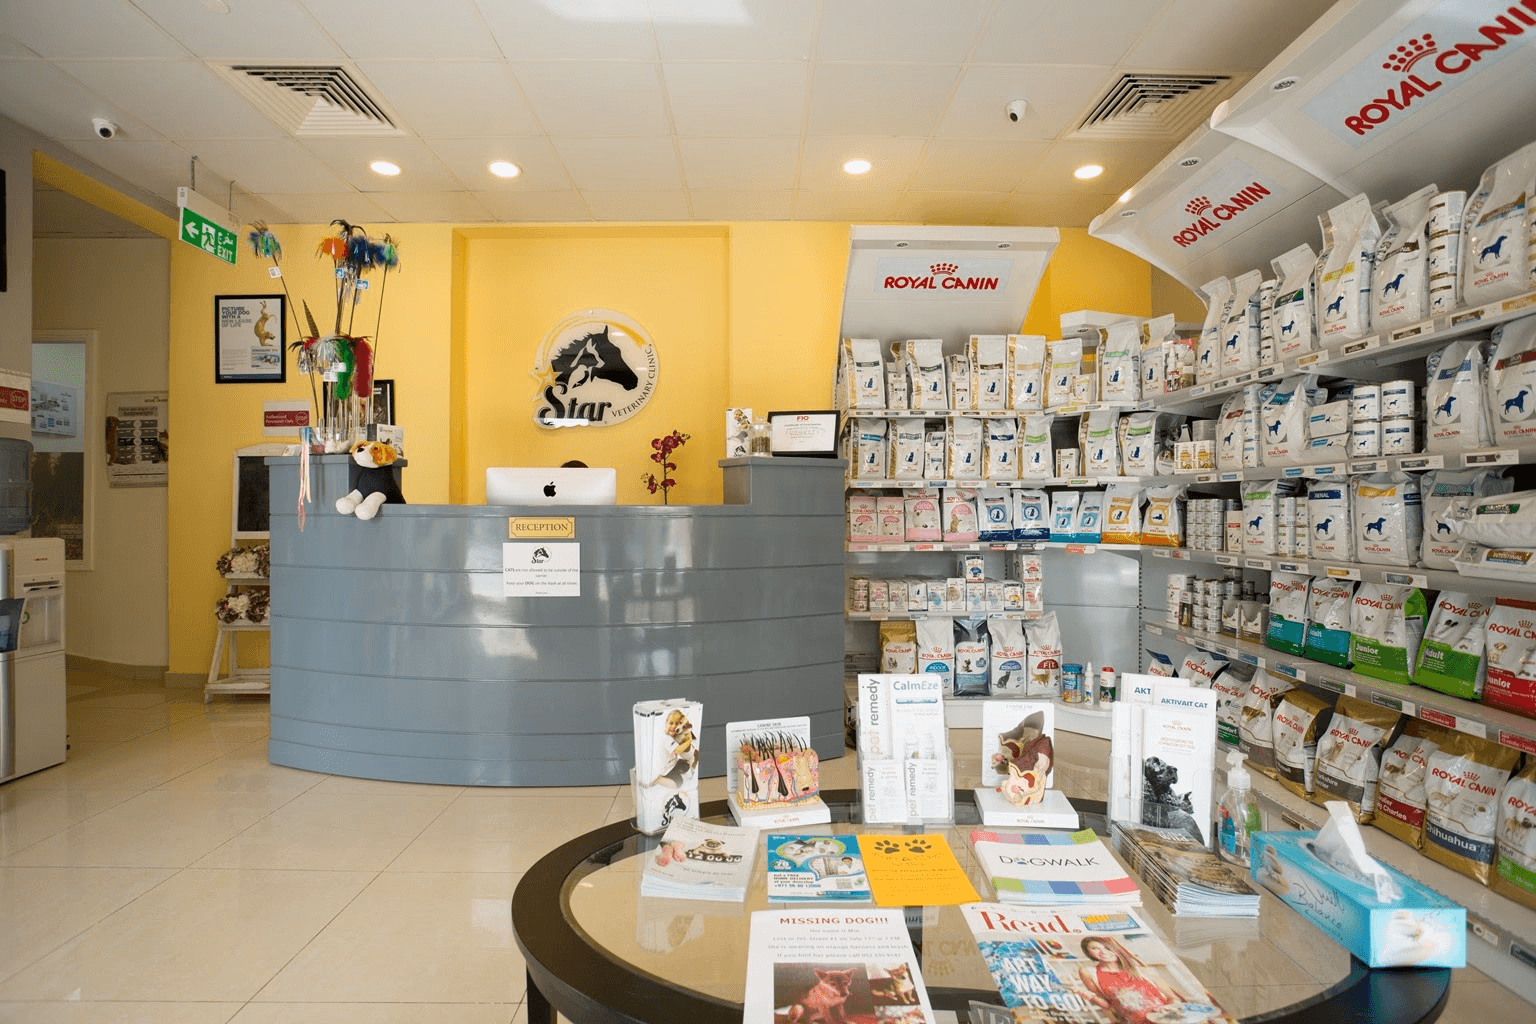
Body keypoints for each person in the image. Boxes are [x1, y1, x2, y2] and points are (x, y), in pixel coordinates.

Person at [1076, 935, 1186, 1024]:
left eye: (1106, 947)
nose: (1103, 952)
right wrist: (1091, 998)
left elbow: (1172, 997)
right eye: (1095, 948)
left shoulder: (1141, 970)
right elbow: (1107, 1006)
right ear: (1088, 953)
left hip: (1164, 1020)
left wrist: (1170, 1010)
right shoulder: (1089, 973)